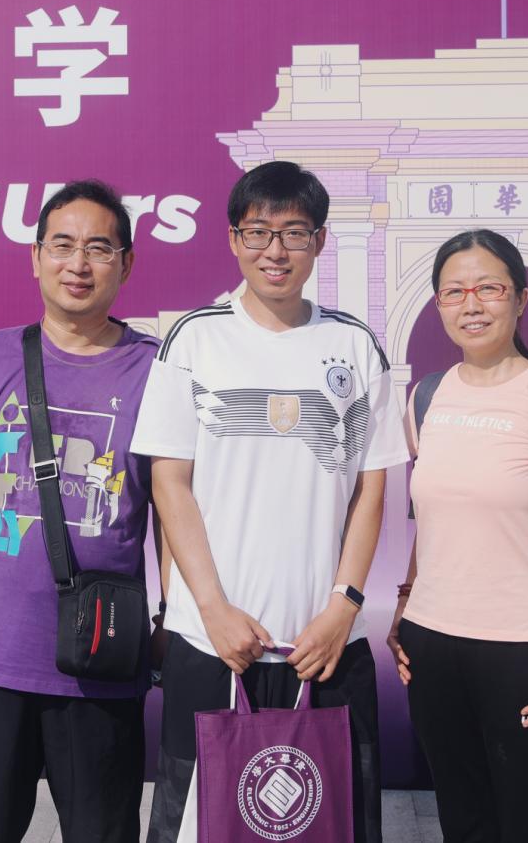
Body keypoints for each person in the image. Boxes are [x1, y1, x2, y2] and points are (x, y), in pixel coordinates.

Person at [134, 160, 407, 843]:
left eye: (294, 233)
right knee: (203, 825)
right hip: (211, 642)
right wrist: (212, 610)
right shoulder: (195, 338)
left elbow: (371, 487)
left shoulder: (354, 344)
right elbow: (170, 484)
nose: (274, 251)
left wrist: (343, 607)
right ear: (233, 239)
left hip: (324, 643)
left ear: (319, 241)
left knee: (331, 823)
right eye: (257, 232)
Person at [0, 180, 161, 843]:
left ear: (126, 263)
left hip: (101, 660)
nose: (78, 264)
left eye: (98, 249)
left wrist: (170, 616)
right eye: (61, 245)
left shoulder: (154, 371)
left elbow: (171, 508)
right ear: (35, 257)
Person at [387, 229, 528, 843]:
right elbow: (430, 521)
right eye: (454, 291)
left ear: (521, 298)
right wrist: (405, 604)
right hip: (432, 646)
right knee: (463, 822)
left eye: (488, 288)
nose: (472, 304)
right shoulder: (425, 398)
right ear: (439, 304)